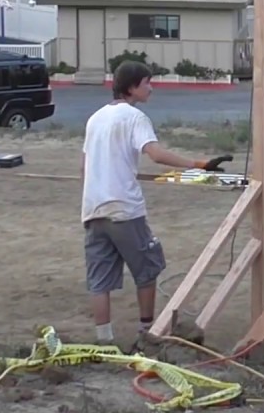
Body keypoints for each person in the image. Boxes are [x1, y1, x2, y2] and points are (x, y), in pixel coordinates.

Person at [80, 61, 232, 346]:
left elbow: (84, 166)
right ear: (132, 87)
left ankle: (104, 341)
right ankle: (145, 333)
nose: (151, 88)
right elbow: (156, 154)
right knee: (147, 270)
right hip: (124, 210)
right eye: (147, 83)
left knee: (100, 280)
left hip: (93, 209)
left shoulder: (95, 118)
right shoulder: (134, 118)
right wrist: (199, 164)